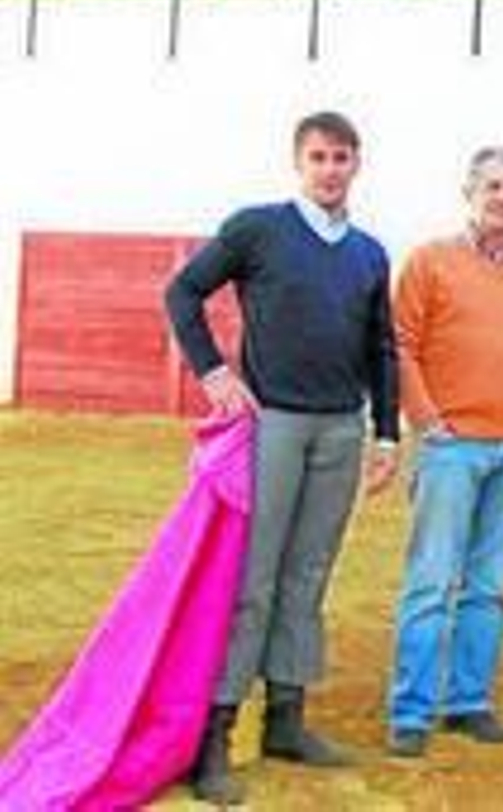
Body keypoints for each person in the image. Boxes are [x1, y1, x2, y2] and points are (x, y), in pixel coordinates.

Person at [165, 111, 399, 804]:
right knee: (255, 581)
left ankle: (285, 721)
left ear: (357, 164)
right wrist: (212, 371)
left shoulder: (369, 253)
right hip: (274, 424)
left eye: (341, 157)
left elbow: (380, 348)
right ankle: (214, 737)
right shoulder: (258, 228)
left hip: (340, 427)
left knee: (309, 575)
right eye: (319, 156)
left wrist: (387, 433)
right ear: (299, 162)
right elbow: (182, 291)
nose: (330, 169)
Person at [385, 147, 503, 758]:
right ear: (469, 191)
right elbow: (401, 345)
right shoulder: (429, 261)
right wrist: (427, 420)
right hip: (451, 448)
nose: (502, 197)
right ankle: (412, 710)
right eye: (492, 185)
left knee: (489, 585)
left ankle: (468, 701)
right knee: (431, 581)